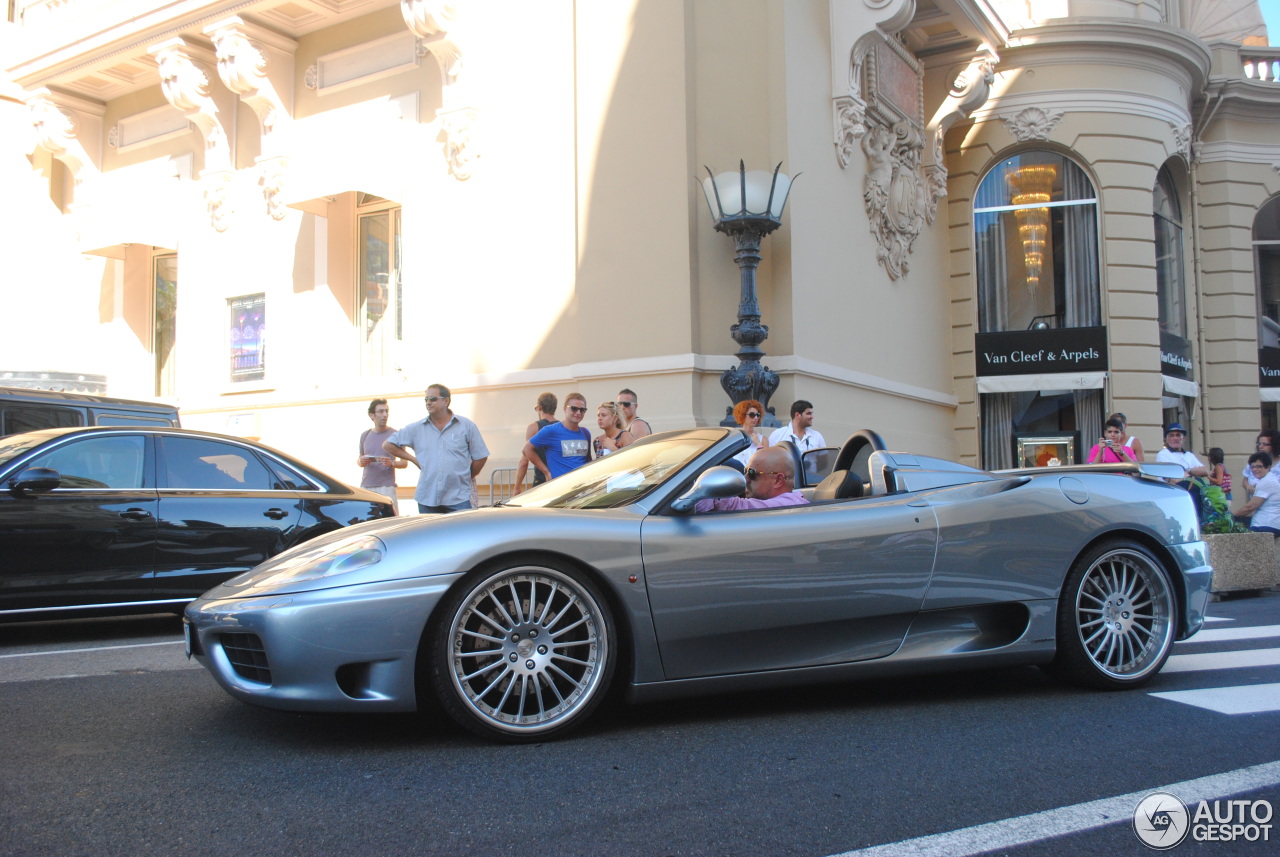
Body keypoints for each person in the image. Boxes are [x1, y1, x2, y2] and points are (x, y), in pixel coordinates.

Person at [383, 384, 489, 514]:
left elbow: (481, 456)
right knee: (429, 535)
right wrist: (413, 459)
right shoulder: (417, 428)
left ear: (446, 401)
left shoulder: (466, 426)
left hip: (458, 498)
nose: (428, 403)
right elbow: (388, 445)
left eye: (433, 399)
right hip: (427, 498)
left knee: (460, 534)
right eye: (426, 399)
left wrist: (468, 474)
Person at [696, 446, 809, 513]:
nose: (746, 479)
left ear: (778, 480)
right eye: (745, 471)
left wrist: (693, 493)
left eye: (752, 473)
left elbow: (729, 505)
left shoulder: (789, 505)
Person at [523, 392, 593, 481]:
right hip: (561, 489)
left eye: (582, 410)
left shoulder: (585, 433)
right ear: (564, 409)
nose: (578, 412)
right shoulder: (551, 430)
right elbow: (527, 449)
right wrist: (546, 472)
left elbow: (588, 459)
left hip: (582, 488)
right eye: (574, 409)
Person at [357, 398, 406, 514]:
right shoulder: (365, 435)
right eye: (381, 411)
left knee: (390, 521)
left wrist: (392, 463)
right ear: (372, 415)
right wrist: (361, 461)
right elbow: (359, 460)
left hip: (387, 487)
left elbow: (404, 462)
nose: (385, 415)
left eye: (386, 411)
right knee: (367, 519)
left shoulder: (396, 435)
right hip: (367, 487)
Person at [514, 392, 557, 494]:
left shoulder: (534, 427)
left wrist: (517, 487)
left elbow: (524, 461)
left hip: (541, 481)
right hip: (560, 480)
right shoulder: (562, 427)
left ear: (539, 408)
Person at [1238, 452, 1280, 535]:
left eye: (1258, 466)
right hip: (1266, 524)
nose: (1254, 469)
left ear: (1268, 467)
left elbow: (1250, 507)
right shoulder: (1266, 480)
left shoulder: (1267, 482)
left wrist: (1232, 516)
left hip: (1266, 525)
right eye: (1252, 467)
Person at [1239, 430, 1280, 501]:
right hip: (1254, 505)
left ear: (1275, 445)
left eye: (1265, 444)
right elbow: (1245, 480)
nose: (1261, 447)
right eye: (1259, 444)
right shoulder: (1253, 462)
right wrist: (1248, 487)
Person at [731, 399, 769, 468]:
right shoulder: (734, 437)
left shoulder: (763, 439)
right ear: (743, 415)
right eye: (752, 415)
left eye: (758, 415)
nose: (756, 418)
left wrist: (758, 444)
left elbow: (766, 462)